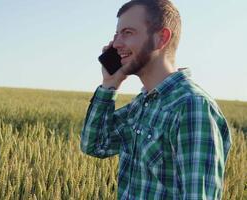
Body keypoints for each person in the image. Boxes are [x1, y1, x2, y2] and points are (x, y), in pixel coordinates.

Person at [80, 0, 231, 199]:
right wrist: (109, 84)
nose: (116, 43)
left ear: (161, 38)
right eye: (116, 34)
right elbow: (95, 144)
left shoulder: (192, 106)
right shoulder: (143, 103)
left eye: (127, 32)